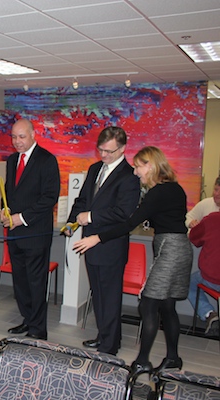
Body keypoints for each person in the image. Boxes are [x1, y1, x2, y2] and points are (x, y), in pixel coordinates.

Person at [73, 146, 192, 376]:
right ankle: (173, 358)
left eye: (138, 167)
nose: (136, 172)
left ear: (150, 165)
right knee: (167, 306)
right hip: (180, 249)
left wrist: (97, 237)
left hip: (170, 249)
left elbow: (129, 223)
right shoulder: (174, 189)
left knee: (147, 303)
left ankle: (142, 361)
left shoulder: (158, 192)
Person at [65, 127, 140, 355]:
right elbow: (83, 200)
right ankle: (105, 336)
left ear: (123, 149)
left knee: (110, 297)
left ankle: (109, 347)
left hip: (110, 246)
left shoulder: (129, 176)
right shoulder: (95, 168)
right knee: (98, 294)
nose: (104, 155)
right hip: (90, 243)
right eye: (101, 150)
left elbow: (123, 213)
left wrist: (92, 216)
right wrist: (71, 222)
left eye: (109, 151)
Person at [1, 119, 60, 340]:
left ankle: (38, 329)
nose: (17, 142)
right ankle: (27, 319)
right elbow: (9, 191)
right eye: (14, 137)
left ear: (33, 135)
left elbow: (49, 198)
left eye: (22, 136)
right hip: (14, 234)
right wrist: (4, 209)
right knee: (21, 283)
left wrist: (21, 218)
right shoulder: (12, 160)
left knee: (36, 284)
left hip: (35, 233)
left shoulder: (46, 160)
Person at [186, 177, 220, 336]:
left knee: (188, 282)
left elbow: (194, 239)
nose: (217, 194)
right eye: (216, 189)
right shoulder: (207, 208)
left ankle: (209, 314)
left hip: (211, 277)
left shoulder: (212, 219)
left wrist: (198, 227)